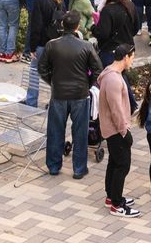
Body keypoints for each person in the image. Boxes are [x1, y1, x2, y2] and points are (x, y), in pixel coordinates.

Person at [39, 10, 101, 178]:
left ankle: (53, 166)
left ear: (62, 25)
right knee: (80, 132)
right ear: (77, 27)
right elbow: (98, 70)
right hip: (80, 94)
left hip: (59, 93)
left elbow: (42, 69)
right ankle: (79, 169)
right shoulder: (86, 46)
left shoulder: (52, 45)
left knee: (55, 130)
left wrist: (53, 81)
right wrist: (87, 85)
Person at [98, 44, 140, 217]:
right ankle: (116, 204)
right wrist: (124, 131)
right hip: (116, 129)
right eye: (132, 57)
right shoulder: (114, 79)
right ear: (126, 57)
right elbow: (116, 110)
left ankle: (111, 196)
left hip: (110, 127)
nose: (133, 60)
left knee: (114, 162)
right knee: (122, 165)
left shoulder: (110, 72)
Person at [92, 0, 138, 68]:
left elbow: (103, 33)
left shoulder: (107, 10)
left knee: (113, 77)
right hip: (128, 49)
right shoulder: (130, 5)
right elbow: (136, 28)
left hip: (111, 52)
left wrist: (93, 28)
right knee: (123, 76)